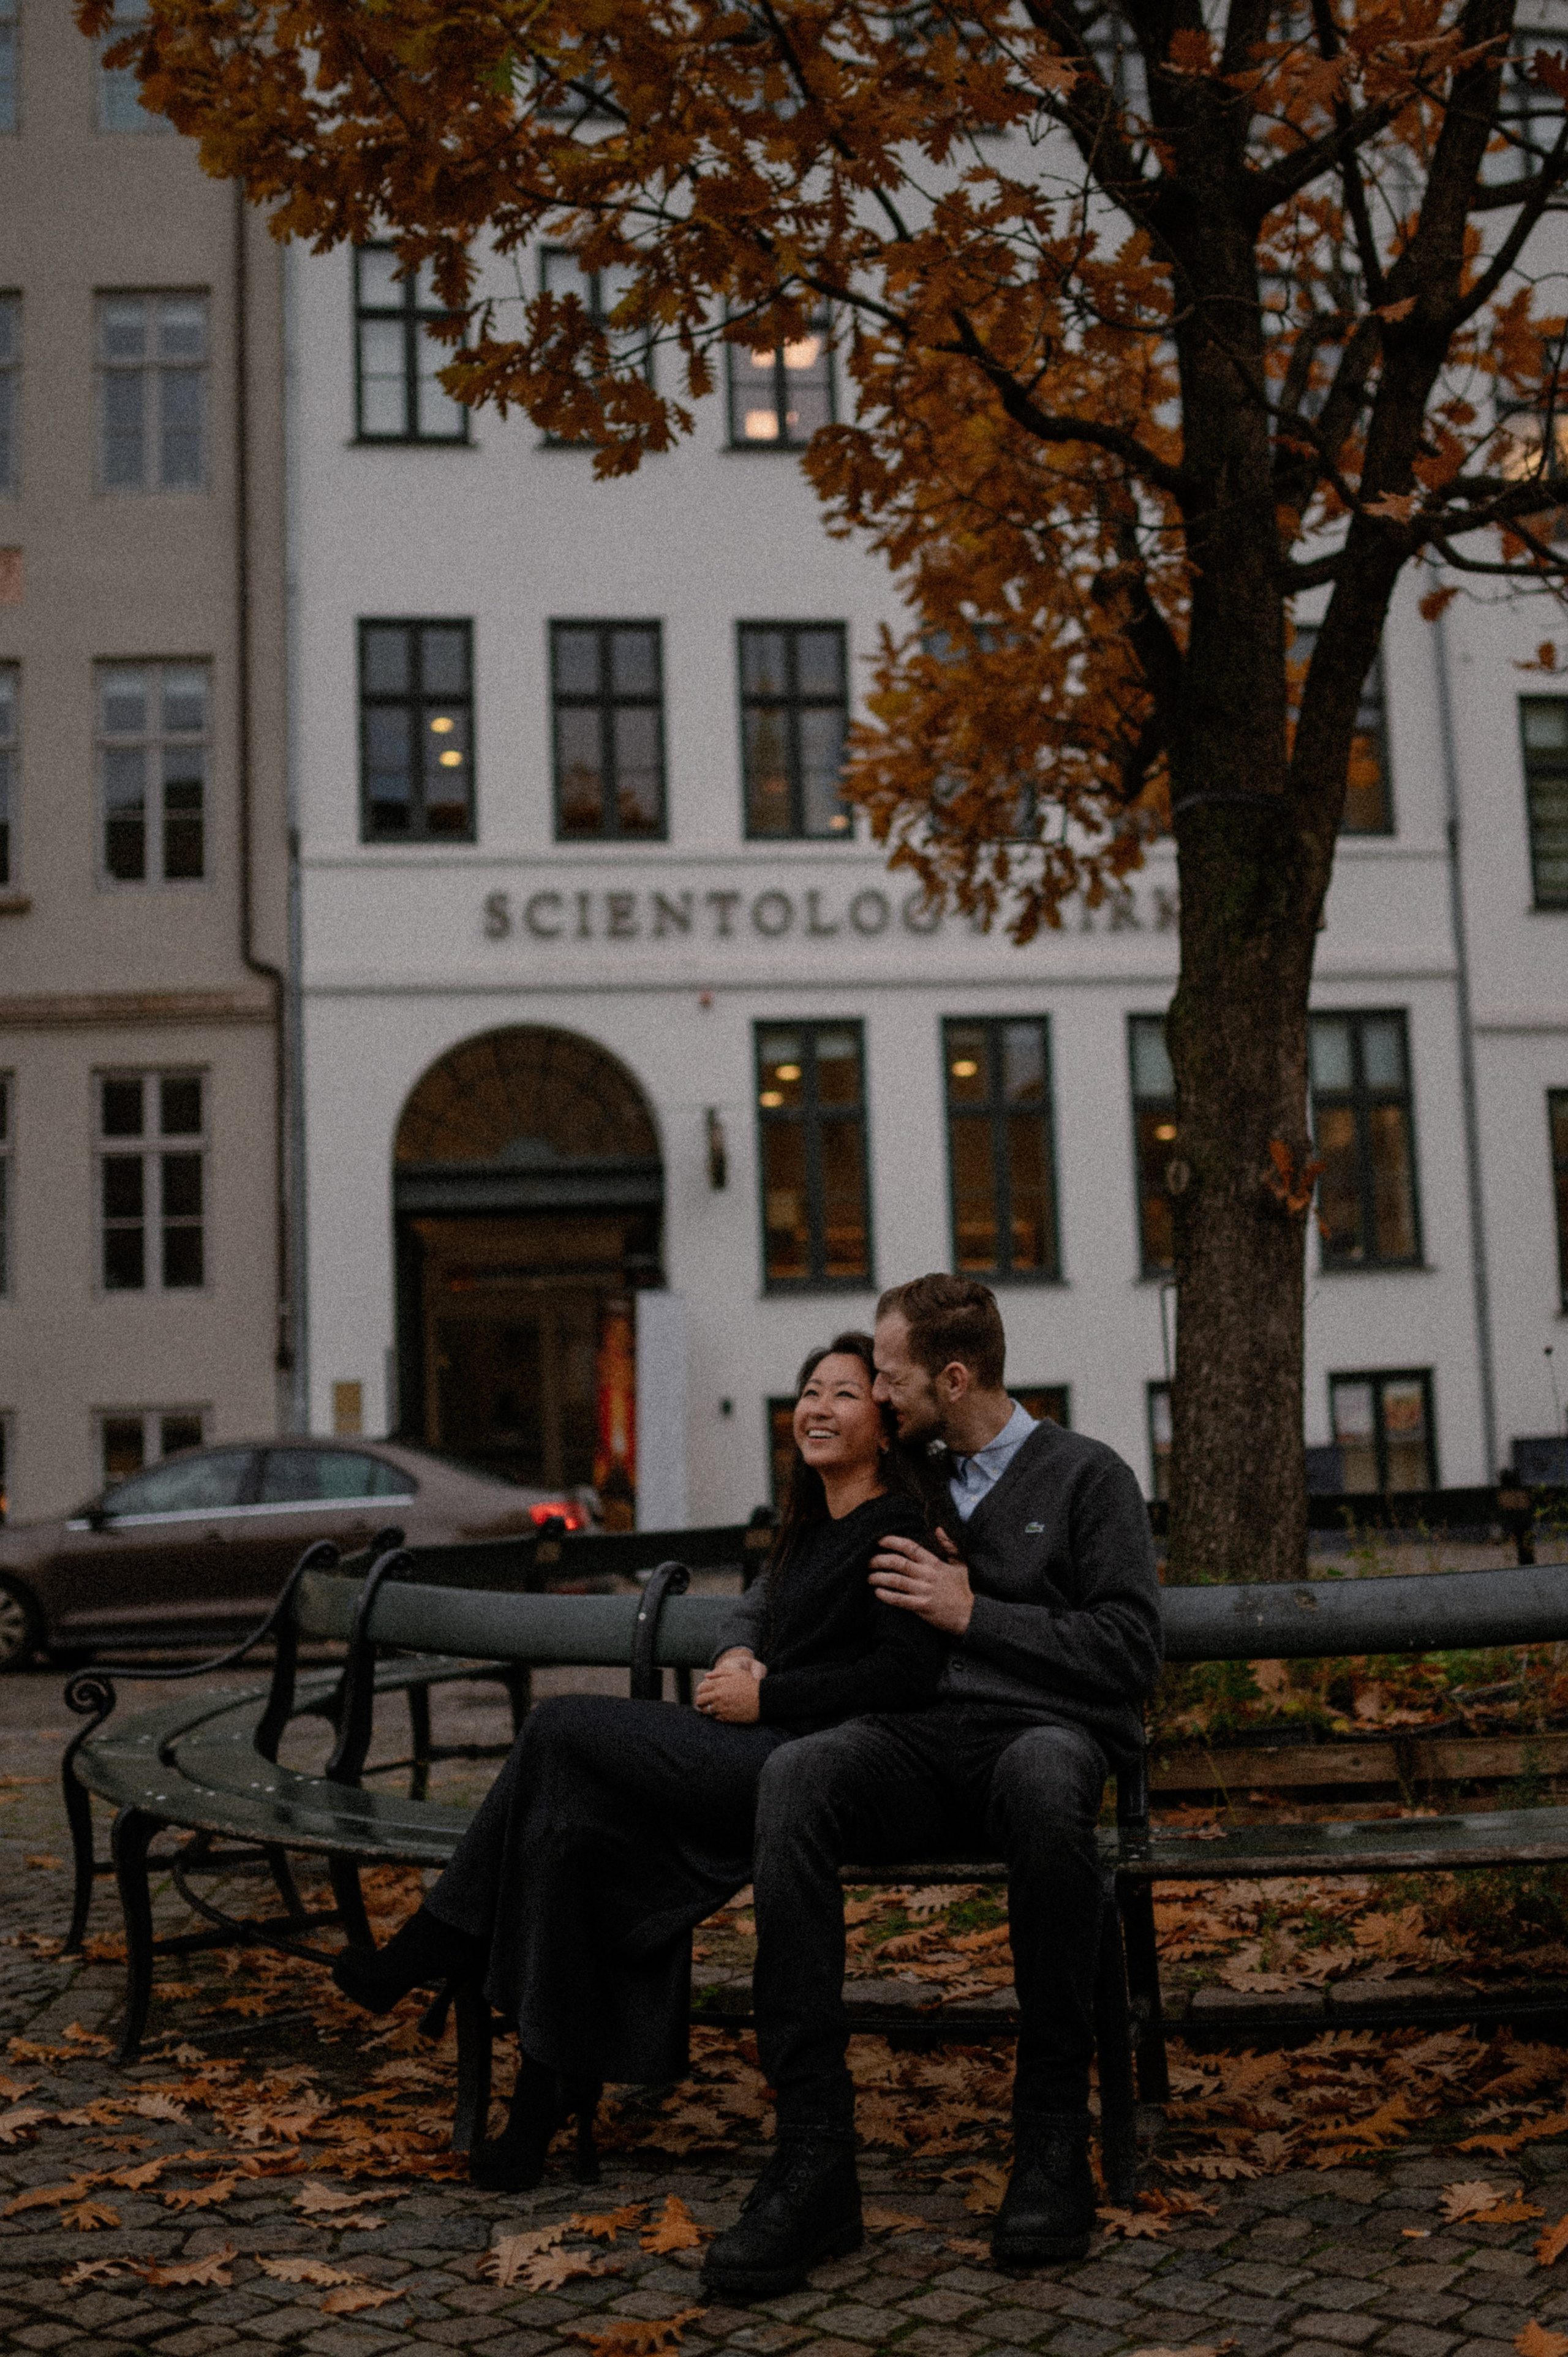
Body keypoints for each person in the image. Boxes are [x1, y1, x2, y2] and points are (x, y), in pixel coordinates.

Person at [330, 1330, 949, 2200]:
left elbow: (901, 1675)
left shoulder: (896, 1528)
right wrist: (741, 1659)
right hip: (754, 1749)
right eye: (810, 1390)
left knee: (558, 1728)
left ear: (885, 1429)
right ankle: (543, 2097)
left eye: (845, 1393)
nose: (818, 1406)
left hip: (798, 1775)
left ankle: (444, 1935)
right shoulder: (812, 1526)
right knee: (572, 1830)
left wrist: (766, 1699)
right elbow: (767, 1626)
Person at [699, 1273, 1163, 2302]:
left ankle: (1052, 2138)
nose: (877, 1392)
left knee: (1049, 1786)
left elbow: (1131, 1650)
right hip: (907, 1745)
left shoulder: (1090, 1477)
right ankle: (814, 2156)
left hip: (1035, 1739)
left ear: (953, 1379)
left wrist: (973, 1615)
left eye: (893, 1376)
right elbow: (779, 1582)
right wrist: (741, 1655)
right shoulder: (906, 1475)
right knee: (798, 1775)